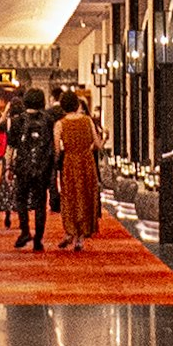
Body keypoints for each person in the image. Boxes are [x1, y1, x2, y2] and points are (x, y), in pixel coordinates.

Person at [9, 81, 55, 251]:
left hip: (23, 166)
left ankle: (25, 230)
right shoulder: (49, 120)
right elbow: (54, 145)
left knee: (20, 199)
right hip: (42, 167)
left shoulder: (17, 121)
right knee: (40, 202)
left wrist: (8, 167)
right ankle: (38, 239)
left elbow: (11, 147)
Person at [54, 87, 101, 250]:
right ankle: (81, 236)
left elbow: (56, 149)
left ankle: (70, 231)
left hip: (70, 161)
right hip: (86, 160)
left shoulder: (60, 124)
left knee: (69, 196)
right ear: (77, 104)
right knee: (85, 195)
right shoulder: (87, 120)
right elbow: (97, 144)